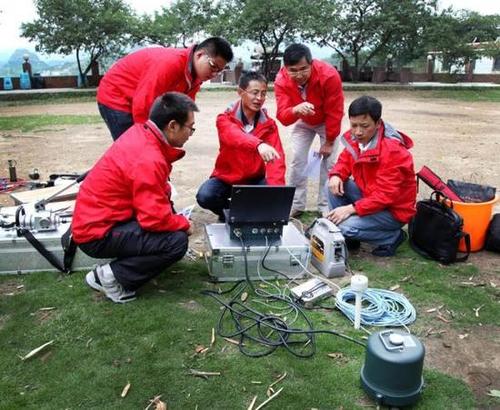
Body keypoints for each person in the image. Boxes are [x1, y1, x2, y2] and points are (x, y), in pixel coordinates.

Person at [72, 92, 199, 303]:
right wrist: (183, 224)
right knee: (176, 242)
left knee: (171, 223)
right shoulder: (149, 157)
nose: (191, 134)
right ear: (173, 126)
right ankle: (109, 277)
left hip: (100, 219)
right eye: (190, 128)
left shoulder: (142, 133)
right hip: (96, 233)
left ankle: (118, 268)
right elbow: (153, 219)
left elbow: (155, 195)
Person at [326, 96, 417, 257]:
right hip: (370, 196)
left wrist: (350, 209)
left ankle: (392, 237)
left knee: (345, 226)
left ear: (377, 123)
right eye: (353, 125)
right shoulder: (357, 138)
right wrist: (336, 175)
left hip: (393, 211)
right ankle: (349, 238)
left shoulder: (393, 151)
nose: (358, 132)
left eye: (364, 126)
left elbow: (385, 196)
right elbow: (344, 161)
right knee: (333, 185)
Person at [97, 37, 233, 140]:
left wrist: (184, 127)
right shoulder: (170, 63)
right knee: (133, 148)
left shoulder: (195, 77)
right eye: (213, 66)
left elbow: (183, 106)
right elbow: (143, 105)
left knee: (153, 146)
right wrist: (148, 139)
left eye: (219, 71)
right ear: (199, 55)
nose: (214, 74)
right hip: (116, 95)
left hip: (138, 97)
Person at [196, 71, 286, 220]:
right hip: (226, 178)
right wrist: (258, 145)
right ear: (240, 92)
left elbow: (277, 159)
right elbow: (234, 136)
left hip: (255, 179)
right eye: (254, 93)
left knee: (272, 193)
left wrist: (276, 194)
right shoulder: (225, 119)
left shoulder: (269, 125)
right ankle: (229, 214)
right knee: (205, 196)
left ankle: (247, 215)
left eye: (263, 94)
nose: (259, 98)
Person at [274, 43, 344, 218]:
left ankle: (325, 206)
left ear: (312, 63)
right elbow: (282, 117)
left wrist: (329, 141)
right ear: (285, 68)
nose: (299, 75)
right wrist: (295, 110)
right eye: (293, 70)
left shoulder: (329, 75)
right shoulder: (281, 80)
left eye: (303, 69)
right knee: (298, 160)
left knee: (329, 164)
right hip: (303, 120)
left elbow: (335, 111)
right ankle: (296, 204)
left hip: (326, 121)